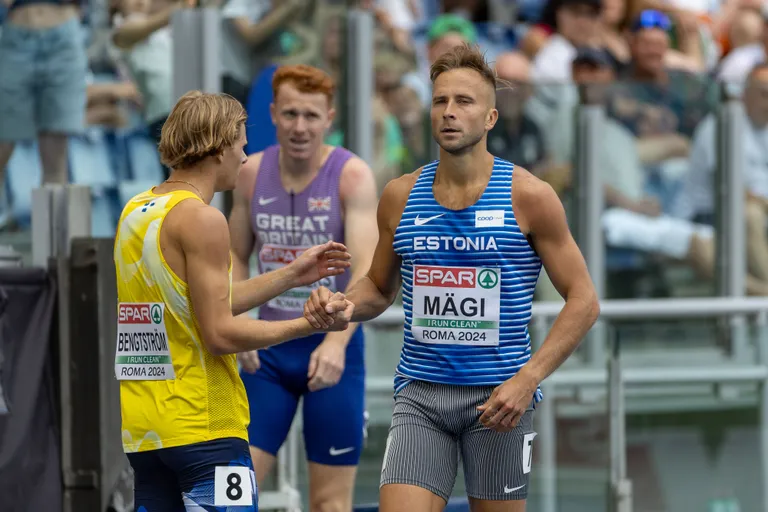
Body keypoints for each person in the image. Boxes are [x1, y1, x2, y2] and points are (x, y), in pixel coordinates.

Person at [305, 44, 601, 511]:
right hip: (420, 396)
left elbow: (584, 300)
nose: (449, 112)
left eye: (464, 102)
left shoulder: (529, 196)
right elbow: (380, 287)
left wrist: (528, 379)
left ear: (490, 118)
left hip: (500, 400)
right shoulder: (400, 195)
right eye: (440, 101)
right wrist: (343, 305)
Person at [113, 90, 354, 511]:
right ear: (219, 144)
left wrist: (293, 273)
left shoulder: (137, 209)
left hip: (147, 429)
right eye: (242, 141)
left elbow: (204, 304)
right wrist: (309, 325)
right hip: (204, 426)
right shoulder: (203, 218)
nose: (246, 155)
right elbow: (220, 333)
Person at [227, 64, 379, 510]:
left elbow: (365, 272)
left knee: (329, 504)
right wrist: (239, 326)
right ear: (272, 113)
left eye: (311, 116)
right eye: (290, 114)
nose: (299, 127)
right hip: (268, 350)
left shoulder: (351, 175)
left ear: (329, 118)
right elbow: (235, 255)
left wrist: (336, 342)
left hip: (333, 347)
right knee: (235, 492)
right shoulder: (251, 173)